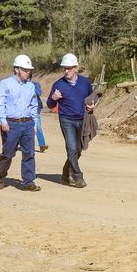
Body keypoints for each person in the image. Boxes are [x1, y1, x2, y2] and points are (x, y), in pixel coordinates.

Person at [46, 53, 95, 188]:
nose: (66, 71)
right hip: (66, 120)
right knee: (71, 148)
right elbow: (50, 105)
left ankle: (65, 172)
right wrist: (53, 98)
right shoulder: (58, 84)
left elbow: (91, 98)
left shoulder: (85, 82)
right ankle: (77, 176)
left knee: (78, 149)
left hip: (82, 120)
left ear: (75, 68)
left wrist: (92, 105)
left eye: (69, 68)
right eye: (64, 68)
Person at [0, 55, 40, 191]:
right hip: (11, 124)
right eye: (25, 69)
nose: (28, 72)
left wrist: (35, 124)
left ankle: (28, 181)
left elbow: (33, 106)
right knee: (8, 153)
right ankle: (1, 176)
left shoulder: (31, 86)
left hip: (28, 123)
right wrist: (3, 121)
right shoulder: (5, 84)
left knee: (29, 153)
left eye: (29, 70)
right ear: (17, 69)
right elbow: (0, 103)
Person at [31, 75, 48, 152]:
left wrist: (29, 88)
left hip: (36, 110)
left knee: (38, 127)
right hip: (24, 110)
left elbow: (39, 92)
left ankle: (42, 145)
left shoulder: (35, 85)